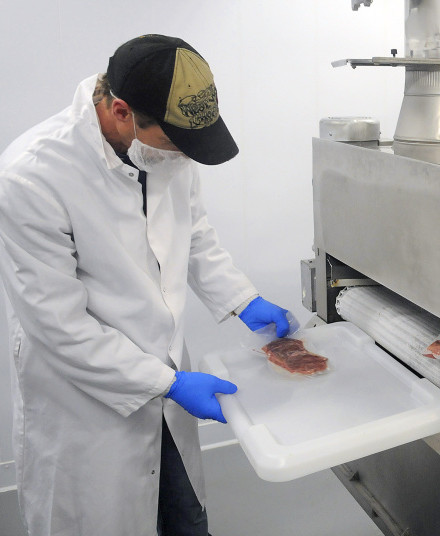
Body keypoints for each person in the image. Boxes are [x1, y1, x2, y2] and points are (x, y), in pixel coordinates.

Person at [0, 34, 291, 536]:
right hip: (87, 404)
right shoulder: (32, 177)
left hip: (166, 389)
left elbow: (194, 233)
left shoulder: (164, 152)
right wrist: (168, 383)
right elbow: (60, 327)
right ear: (120, 112)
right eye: (175, 143)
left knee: (185, 518)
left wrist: (242, 299)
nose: (183, 156)